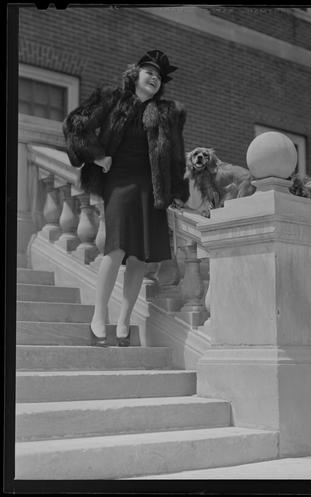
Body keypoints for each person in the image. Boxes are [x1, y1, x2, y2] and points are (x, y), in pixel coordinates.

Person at [63, 50, 189, 347]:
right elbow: (75, 125)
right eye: (150, 73)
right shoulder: (112, 98)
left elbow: (175, 157)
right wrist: (97, 156)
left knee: (139, 257)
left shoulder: (167, 113)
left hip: (150, 186)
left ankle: (123, 321)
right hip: (118, 180)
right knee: (116, 247)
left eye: (159, 77)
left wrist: (177, 193)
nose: (155, 79)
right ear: (136, 74)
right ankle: (99, 315)